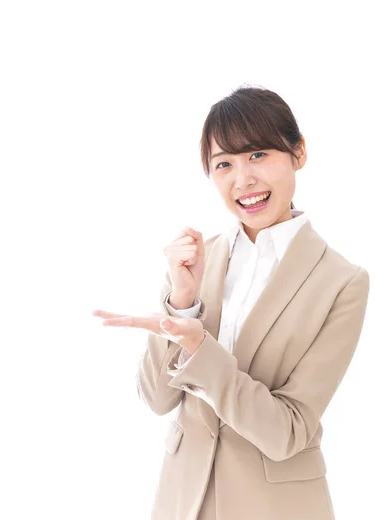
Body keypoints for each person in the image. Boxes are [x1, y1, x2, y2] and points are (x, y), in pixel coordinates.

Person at [94, 86, 370, 519]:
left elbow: (288, 431)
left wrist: (201, 349)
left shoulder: (342, 282)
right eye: (224, 164)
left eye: (259, 155)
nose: (243, 180)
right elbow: (157, 400)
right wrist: (181, 303)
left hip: (278, 507)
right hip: (182, 501)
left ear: (299, 152)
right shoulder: (195, 262)